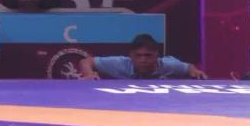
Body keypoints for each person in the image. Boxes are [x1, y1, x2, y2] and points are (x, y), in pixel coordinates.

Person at [79, 34, 207, 80]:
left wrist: (195, 72)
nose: (143, 59)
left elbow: (188, 68)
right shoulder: (120, 64)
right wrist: (89, 74)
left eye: (148, 55)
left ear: (156, 55)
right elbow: (86, 61)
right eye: (138, 55)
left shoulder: (168, 65)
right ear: (131, 55)